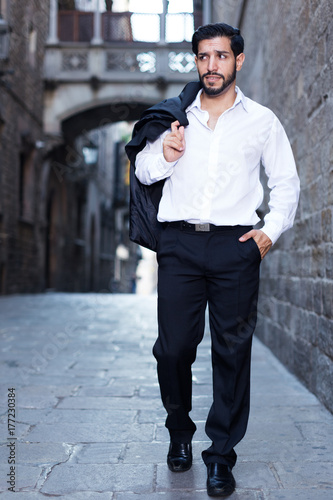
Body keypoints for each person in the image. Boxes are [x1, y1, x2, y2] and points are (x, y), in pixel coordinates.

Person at [127, 23, 300, 497]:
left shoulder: (263, 121)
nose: (211, 66)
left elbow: (287, 184)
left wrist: (267, 234)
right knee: (174, 349)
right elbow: (142, 170)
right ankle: (179, 431)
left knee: (232, 352)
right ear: (197, 62)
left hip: (235, 247)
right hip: (180, 245)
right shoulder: (175, 117)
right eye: (203, 57)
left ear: (237, 61)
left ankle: (221, 455)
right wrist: (164, 154)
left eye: (221, 57)